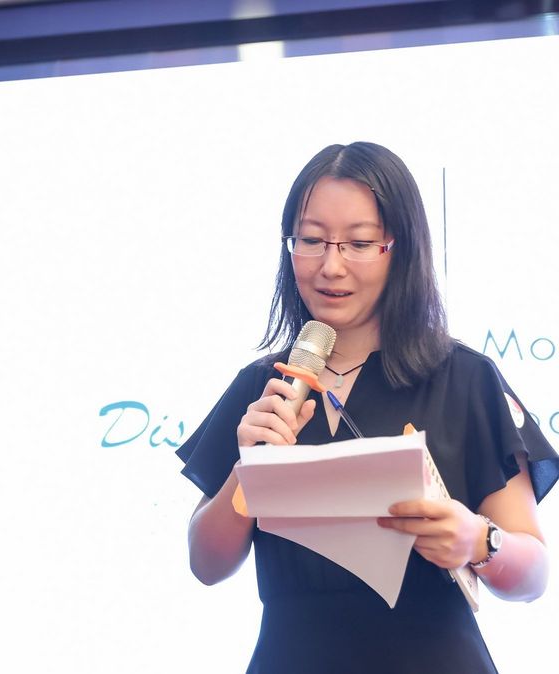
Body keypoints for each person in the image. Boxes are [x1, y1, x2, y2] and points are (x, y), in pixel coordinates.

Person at [176, 141, 556, 673]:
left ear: (401, 248)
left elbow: (533, 577)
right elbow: (206, 565)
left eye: (358, 243)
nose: (331, 266)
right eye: (311, 240)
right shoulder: (262, 387)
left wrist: (478, 540)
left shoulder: (465, 378)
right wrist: (250, 469)